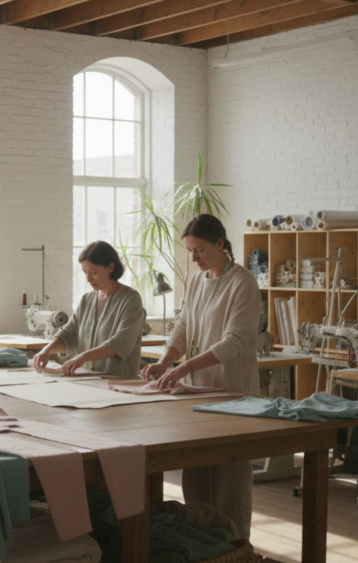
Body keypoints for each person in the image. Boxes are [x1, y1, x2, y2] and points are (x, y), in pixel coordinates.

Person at [139, 214, 260, 537]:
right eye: (190, 250)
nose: (193, 258)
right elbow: (182, 326)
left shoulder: (243, 282)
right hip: (195, 393)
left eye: (200, 250)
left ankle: (235, 548)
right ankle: (202, 548)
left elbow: (234, 341)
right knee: (196, 473)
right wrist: (166, 361)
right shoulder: (196, 280)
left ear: (220, 244)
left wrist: (186, 366)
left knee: (228, 479)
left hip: (231, 391)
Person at [31, 240, 145, 379]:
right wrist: (46, 351)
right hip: (89, 381)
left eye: (93, 272)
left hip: (120, 381)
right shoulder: (87, 300)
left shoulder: (130, 298)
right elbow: (68, 334)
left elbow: (121, 342)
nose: (88, 279)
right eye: (85, 272)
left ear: (110, 267)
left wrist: (82, 357)